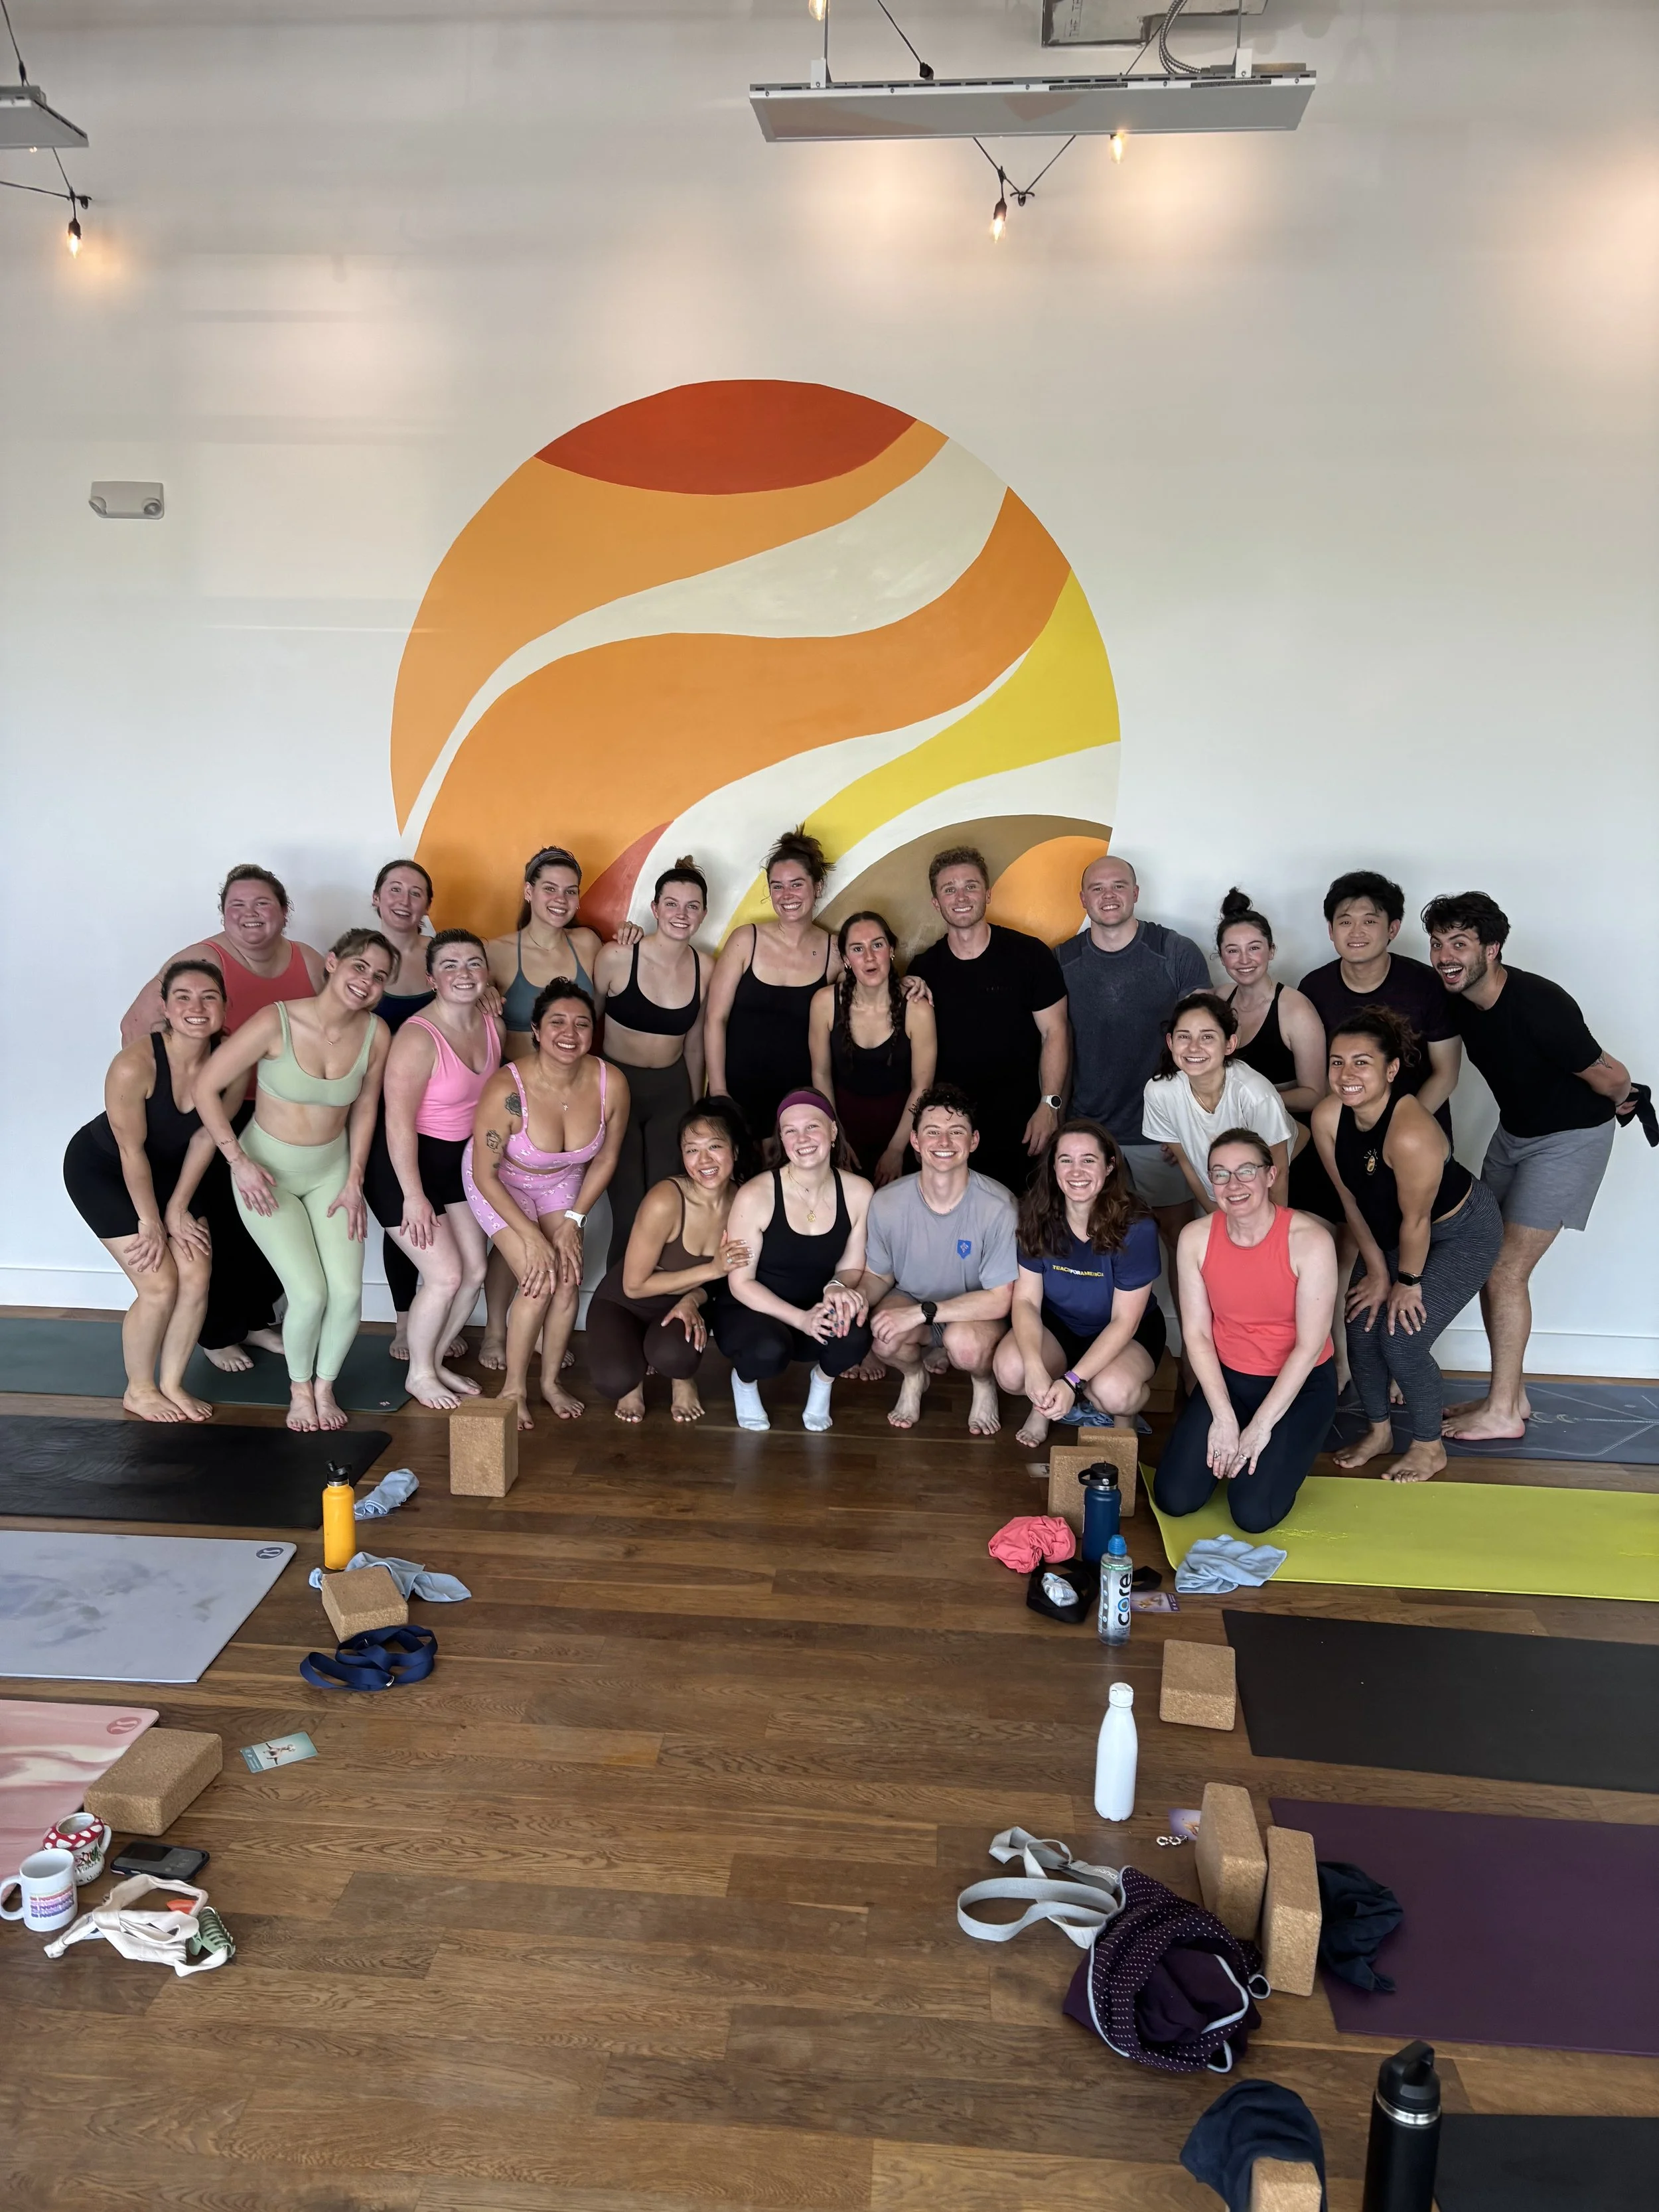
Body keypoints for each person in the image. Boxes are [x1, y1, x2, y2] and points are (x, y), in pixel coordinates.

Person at [1424, 892, 1634, 1443]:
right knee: (1484, 1253)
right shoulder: (1459, 999)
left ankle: (1503, 1412)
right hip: (1513, 1133)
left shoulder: (1541, 1004)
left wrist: (1622, 1099)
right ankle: (1508, 1394)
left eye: (1460, 943)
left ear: (1492, 949)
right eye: (1438, 943)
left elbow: (1613, 1077)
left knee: (1505, 1270)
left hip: (1569, 1140)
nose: (1445, 955)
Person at [120, 862, 321, 1370]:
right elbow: (135, 1025)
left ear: (284, 911)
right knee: (221, 1229)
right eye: (238, 905)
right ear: (223, 913)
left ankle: (254, 1321)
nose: (250, 915)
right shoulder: (199, 960)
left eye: (263, 904)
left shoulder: (310, 961)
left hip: (284, 1116)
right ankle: (217, 1333)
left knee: (270, 1220)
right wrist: (171, 1108)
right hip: (214, 1118)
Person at [194, 930, 396, 1432]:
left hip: (332, 1173)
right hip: (268, 1173)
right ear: (332, 963)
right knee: (308, 1294)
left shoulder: (377, 1033)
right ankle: (299, 1389)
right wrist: (237, 1160)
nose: (366, 981)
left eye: (379, 976)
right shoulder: (277, 1020)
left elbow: (366, 1107)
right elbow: (205, 1085)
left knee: (348, 1294)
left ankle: (325, 1387)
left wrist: (354, 1179)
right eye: (359, 967)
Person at [1311, 1007, 1504, 1482]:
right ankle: (1379, 1431)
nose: (1347, 1074)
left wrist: (1406, 1283)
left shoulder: (1412, 1131)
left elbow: (1417, 1221)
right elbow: (1351, 1199)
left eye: (1362, 1062)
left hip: (1460, 1231)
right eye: (1337, 1062)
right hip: (1392, 1232)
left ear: (1391, 1069)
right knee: (1359, 1321)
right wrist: (1376, 1272)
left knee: (1402, 1335)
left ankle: (1428, 1445)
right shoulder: (1327, 1117)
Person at [63, 962, 228, 1423]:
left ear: (223, 1005)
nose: (197, 1007)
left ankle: (173, 1382)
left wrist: (177, 1208)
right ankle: (139, 1388)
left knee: (196, 1273)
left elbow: (205, 1137)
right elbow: (131, 1151)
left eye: (209, 996)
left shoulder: (229, 1061)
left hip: (174, 1174)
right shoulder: (135, 1063)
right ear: (166, 1007)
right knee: (159, 1283)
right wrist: (152, 1222)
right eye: (184, 997)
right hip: (106, 1169)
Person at [1153, 1131, 1339, 1533]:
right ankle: (1232, 1444)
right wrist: (1223, 1418)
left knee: (1252, 1515)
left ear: (1270, 1176)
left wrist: (1258, 1428)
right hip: (1230, 1380)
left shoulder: (1310, 1241)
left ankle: (1277, 1451)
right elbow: (1198, 1335)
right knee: (1174, 1498)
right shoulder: (1195, 1239)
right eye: (1220, 1175)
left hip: (1299, 1387)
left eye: (1246, 1172)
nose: (1233, 1185)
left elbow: (1308, 1348)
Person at [465, 981, 629, 1430]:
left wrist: (574, 1220)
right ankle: (514, 1388)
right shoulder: (508, 1088)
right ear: (536, 1030)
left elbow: (608, 1157)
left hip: (560, 1180)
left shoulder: (609, 1082)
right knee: (539, 1279)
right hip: (500, 1180)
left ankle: (551, 1382)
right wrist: (532, 1236)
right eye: (557, 1022)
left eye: (581, 1023)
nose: (569, 1032)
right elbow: (485, 1173)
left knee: (569, 1279)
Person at [480, 845, 611, 1368]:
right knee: (514, 1236)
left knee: (549, 1235)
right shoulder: (496, 950)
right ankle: (494, 1330)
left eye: (570, 890)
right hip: (513, 1113)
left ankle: (534, 1333)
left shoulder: (588, 943)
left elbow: (611, 994)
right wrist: (483, 993)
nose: (560, 899)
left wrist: (632, 938)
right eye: (549, 888)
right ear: (528, 890)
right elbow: (455, 986)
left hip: (567, 1112)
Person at [1056, 852, 1209, 1254]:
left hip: (1160, 1134)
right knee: (1092, 1242)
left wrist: (1189, 1124)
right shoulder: (1061, 960)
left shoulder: (1175, 951)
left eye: (1119, 886)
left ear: (1136, 893)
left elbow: (1205, 1047)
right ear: (1083, 899)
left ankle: (1192, 1322)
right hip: (1089, 1131)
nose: (1109, 896)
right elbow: (1050, 1044)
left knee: (1181, 1237)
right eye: (1097, 888)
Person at [376, 930, 502, 1410]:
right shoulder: (416, 1035)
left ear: (486, 972)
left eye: (474, 963)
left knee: (474, 1270)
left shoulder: (491, 1021)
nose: (464, 973)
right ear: (431, 978)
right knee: (446, 1275)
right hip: (401, 1166)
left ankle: (432, 1358)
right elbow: (397, 1124)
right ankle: (420, 1373)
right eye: (450, 964)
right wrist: (413, 1194)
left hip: (457, 1163)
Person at [994, 1118, 1167, 1449]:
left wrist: (1072, 1382)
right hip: (1061, 1326)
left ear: (1110, 1167)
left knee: (1115, 1392)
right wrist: (1035, 1368)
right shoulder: (1036, 1215)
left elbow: (1124, 1321)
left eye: (1088, 1160)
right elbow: (1026, 1302)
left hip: (1125, 1330)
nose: (1077, 1171)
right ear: (1053, 1168)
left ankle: (1124, 1418)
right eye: (1066, 1160)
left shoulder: (1137, 1227)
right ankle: (1042, 1406)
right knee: (1012, 1370)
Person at [857, 1084, 1018, 1436]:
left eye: (956, 1132)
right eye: (932, 1132)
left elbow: (1000, 1298)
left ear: (973, 1141)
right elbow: (879, 1275)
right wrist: (854, 1298)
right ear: (915, 1141)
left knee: (966, 1346)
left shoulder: (999, 1206)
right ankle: (915, 1378)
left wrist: (920, 1314)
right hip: (912, 1296)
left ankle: (983, 1382)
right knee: (883, 1334)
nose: (944, 1142)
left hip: (974, 1312)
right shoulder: (886, 1202)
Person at [908, 847, 1069, 1195]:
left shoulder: (1030, 956)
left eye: (971, 886)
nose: (961, 897)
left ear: (988, 894)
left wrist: (1050, 1104)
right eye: (949, 889)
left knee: (1023, 1230)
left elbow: (1055, 1031)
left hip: (1023, 1125)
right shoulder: (924, 969)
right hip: (952, 1132)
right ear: (936, 902)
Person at [585, 1096, 752, 1424]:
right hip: (624, 1303)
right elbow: (633, 1286)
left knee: (675, 1357)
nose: (703, 1159)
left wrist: (693, 1297)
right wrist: (710, 1269)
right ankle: (634, 1373)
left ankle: (681, 1379)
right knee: (615, 1379)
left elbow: (730, 1279)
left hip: (680, 1305)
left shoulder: (746, 1200)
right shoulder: (666, 1199)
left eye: (714, 1146)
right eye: (691, 1150)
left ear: (735, 1151)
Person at [715, 1090, 875, 1432]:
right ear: (782, 1140)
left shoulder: (860, 1192)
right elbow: (741, 1282)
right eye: (790, 1131)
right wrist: (801, 1319)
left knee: (855, 1335)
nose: (802, 1139)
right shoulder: (756, 1194)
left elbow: (851, 1266)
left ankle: (822, 1383)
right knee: (767, 1350)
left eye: (812, 1127)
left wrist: (836, 1290)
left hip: (816, 1309)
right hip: (753, 1310)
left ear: (833, 1132)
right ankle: (744, 1381)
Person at [591, 857, 711, 1268]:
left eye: (692, 906)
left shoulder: (705, 968)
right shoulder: (617, 957)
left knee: (665, 1204)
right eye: (672, 904)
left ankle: (656, 1305)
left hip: (672, 1094)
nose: (682, 915)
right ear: (655, 908)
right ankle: (616, 1304)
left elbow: (695, 1044)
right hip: (618, 1091)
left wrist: (697, 1109)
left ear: (704, 914)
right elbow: (585, 1029)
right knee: (627, 1208)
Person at [704, 828, 841, 1143]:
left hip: (799, 1103)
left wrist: (909, 983)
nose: (787, 895)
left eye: (797, 884)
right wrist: (720, 1092)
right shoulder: (745, 940)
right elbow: (715, 1019)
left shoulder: (835, 951)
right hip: (737, 1095)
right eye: (777, 887)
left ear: (817, 887)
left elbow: (867, 998)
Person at [1298, 871, 1461, 1133]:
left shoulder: (1427, 984)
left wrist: (1399, 1127)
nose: (1356, 932)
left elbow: (1446, 1074)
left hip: (1418, 1125)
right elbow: (1317, 1075)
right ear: (1331, 930)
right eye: (1345, 922)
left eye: (1370, 921)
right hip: (1346, 1128)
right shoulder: (1313, 988)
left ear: (1392, 929)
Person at [362, 858, 439, 1359]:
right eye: (395, 889)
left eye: (416, 893)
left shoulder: (443, 955)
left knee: (434, 1207)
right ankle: (405, 1320)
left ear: (428, 905)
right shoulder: (362, 960)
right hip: (380, 1108)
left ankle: (436, 1313)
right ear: (376, 898)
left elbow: (475, 997)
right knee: (401, 1213)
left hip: (441, 1112)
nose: (404, 900)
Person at [1214, 889, 1333, 1211]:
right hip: (1237, 1151)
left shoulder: (1295, 1009)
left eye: (1254, 948)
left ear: (1271, 950)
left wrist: (1250, 1104)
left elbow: (1314, 1093)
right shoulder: (1217, 1000)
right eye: (1232, 951)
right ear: (1221, 956)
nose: (1244, 960)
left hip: (1292, 1148)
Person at [808, 909, 937, 1184]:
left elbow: (922, 1086)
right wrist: (836, 1138)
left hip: (902, 1131)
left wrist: (896, 1150)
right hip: (842, 1130)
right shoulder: (824, 1003)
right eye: (858, 949)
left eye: (877, 945)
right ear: (845, 959)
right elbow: (821, 1075)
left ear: (891, 950)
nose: (869, 957)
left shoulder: (917, 1008)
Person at [1141, 992, 1301, 1209]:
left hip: (1294, 1167)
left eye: (1207, 1037)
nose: (1194, 1047)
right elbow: (1188, 1162)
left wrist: (1272, 1234)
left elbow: (1278, 1172)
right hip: (1233, 1180)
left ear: (1229, 1044)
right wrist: (1215, 1216)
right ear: (1170, 1042)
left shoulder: (1254, 1093)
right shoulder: (1159, 1092)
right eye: (1184, 1036)